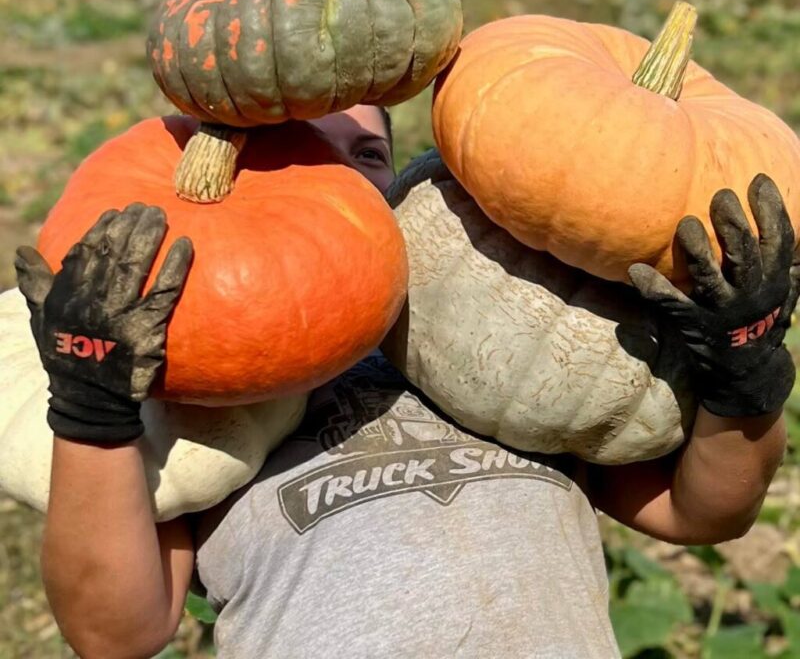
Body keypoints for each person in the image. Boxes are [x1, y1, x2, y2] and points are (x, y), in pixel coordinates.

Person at [14, 103, 798, 658]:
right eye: (307, 156)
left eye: (366, 157)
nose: (344, 182)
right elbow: (118, 634)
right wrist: (93, 406)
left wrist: (744, 383)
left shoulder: (516, 335)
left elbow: (704, 512)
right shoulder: (205, 378)